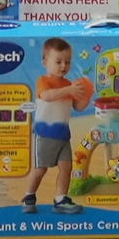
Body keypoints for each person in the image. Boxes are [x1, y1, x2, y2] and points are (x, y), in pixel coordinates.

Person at [21, 37, 89, 215]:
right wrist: (69, 90)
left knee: (66, 168)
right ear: (45, 63)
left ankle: (60, 199)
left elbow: (77, 107)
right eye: (58, 61)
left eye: (67, 61)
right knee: (40, 169)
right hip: (44, 134)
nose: (63, 66)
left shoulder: (69, 85)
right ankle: (29, 196)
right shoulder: (43, 81)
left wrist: (87, 96)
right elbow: (47, 96)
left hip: (63, 136)